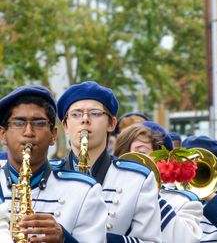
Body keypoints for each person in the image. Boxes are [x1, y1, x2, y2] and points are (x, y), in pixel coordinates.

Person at [56, 81, 162, 243]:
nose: (85, 119)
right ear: (65, 125)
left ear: (111, 123)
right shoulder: (48, 174)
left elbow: (150, 241)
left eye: (95, 113)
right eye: (76, 114)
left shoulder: (138, 178)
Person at [0, 85, 107, 243]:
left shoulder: (85, 191)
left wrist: (64, 238)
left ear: (53, 135)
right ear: (3, 135)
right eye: (18, 123)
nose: (28, 132)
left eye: (39, 123)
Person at [114, 123, 203, 243]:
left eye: (141, 152)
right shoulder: (105, 192)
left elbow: (185, 239)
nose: (131, 159)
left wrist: (148, 192)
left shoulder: (183, 202)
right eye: (124, 153)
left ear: (162, 160)